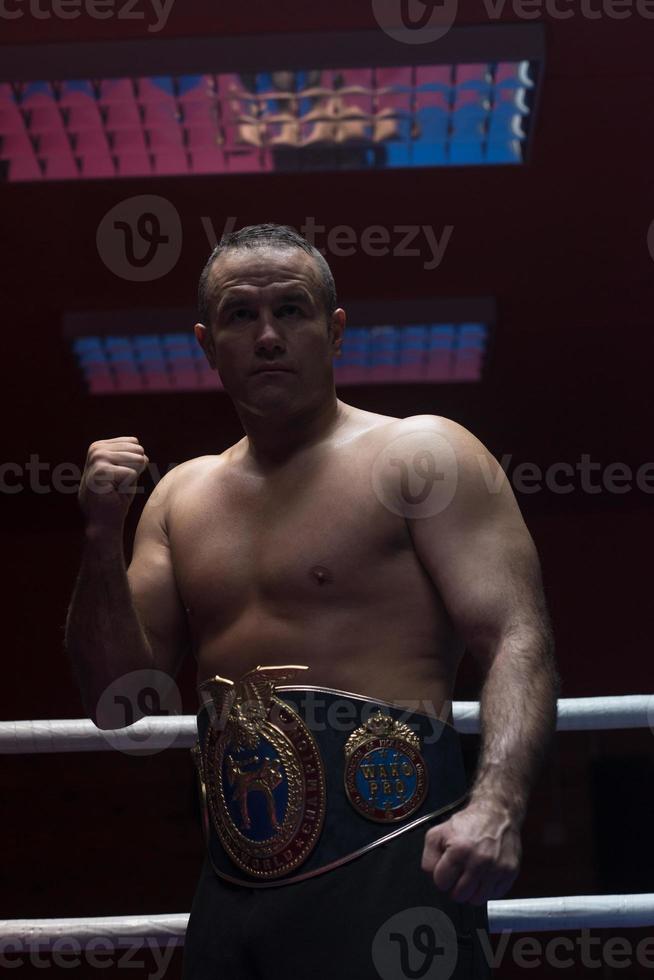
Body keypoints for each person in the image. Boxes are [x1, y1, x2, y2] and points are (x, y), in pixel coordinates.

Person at [65, 223, 559, 978]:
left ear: (334, 332)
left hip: (396, 862)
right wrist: (101, 536)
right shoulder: (179, 498)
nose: (268, 336)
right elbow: (115, 703)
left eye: (292, 311)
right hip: (233, 885)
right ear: (207, 343)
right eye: (241, 316)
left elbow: (518, 638)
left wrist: (497, 806)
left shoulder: (420, 454)